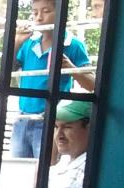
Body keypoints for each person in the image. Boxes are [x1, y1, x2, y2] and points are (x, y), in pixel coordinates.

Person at [11, 0, 94, 159]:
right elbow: (8, 70)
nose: (39, 17)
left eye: (46, 11)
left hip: (51, 120)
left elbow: (92, 84)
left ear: (61, 14)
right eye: (35, 12)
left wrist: (70, 67)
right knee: (18, 168)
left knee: (46, 167)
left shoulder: (73, 44)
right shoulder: (28, 43)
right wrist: (17, 42)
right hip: (22, 118)